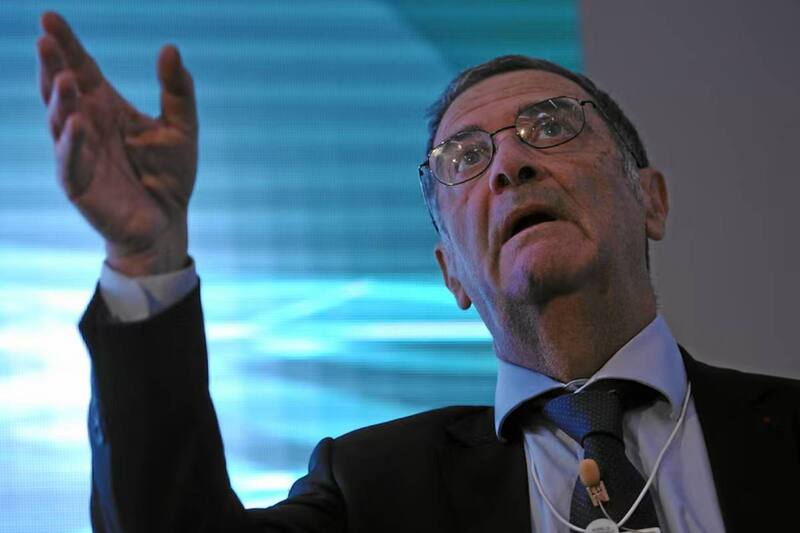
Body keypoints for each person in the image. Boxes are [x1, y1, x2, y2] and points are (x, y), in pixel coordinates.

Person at [36, 10, 799, 533]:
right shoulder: (373, 487)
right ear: (451, 273)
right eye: (465, 157)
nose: (510, 164)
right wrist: (146, 257)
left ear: (651, 199)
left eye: (550, 125)